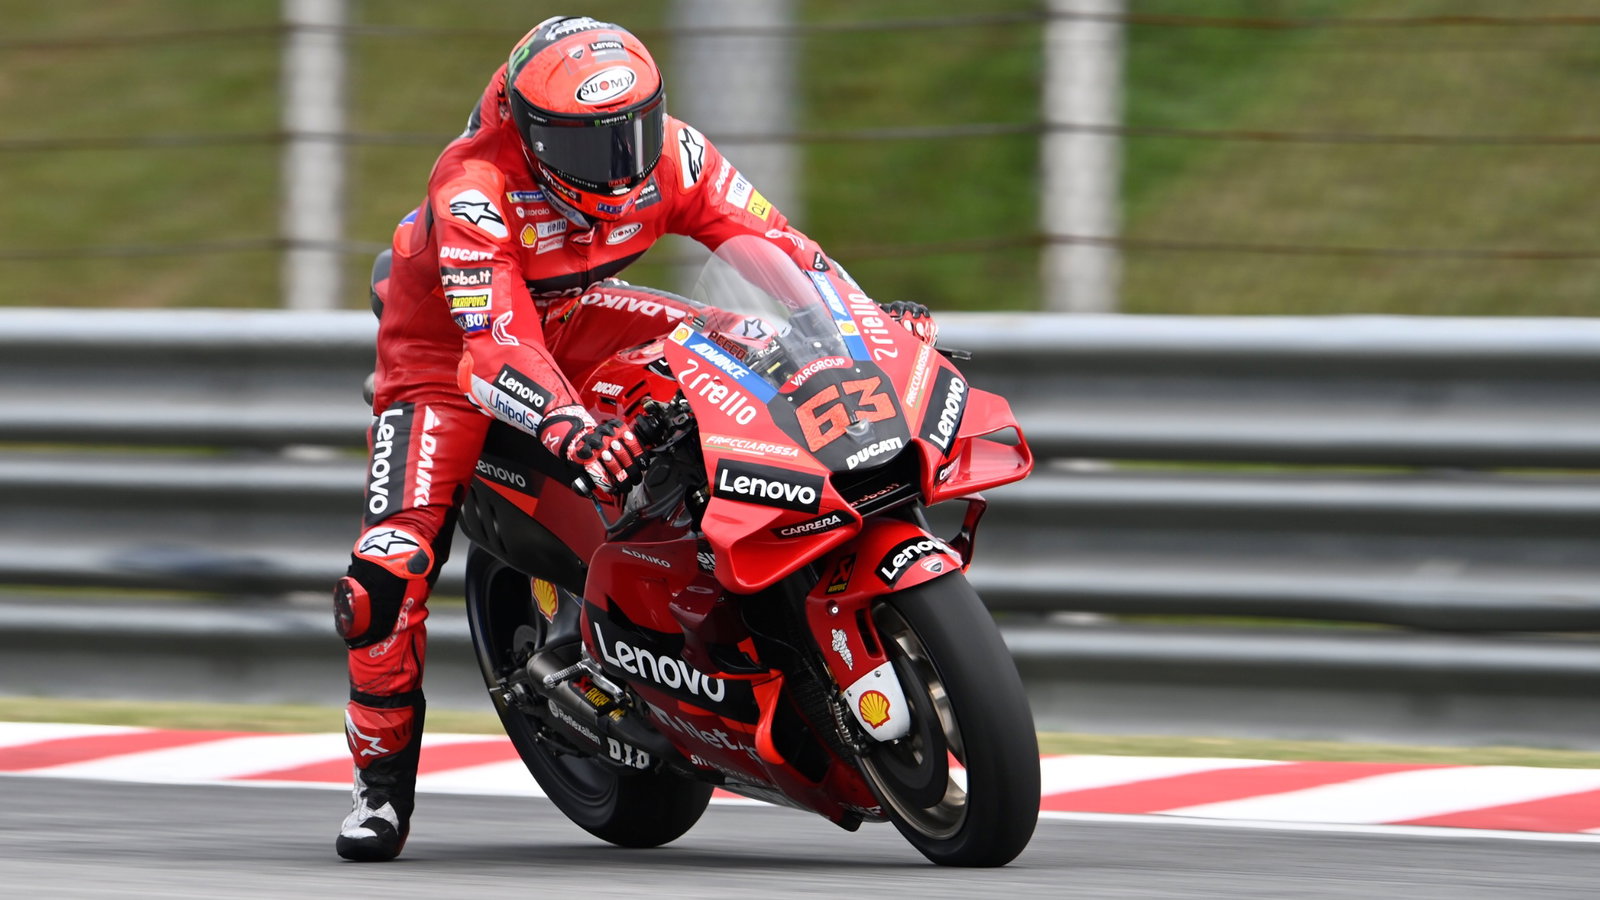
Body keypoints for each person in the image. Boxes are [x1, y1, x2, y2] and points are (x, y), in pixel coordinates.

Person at [330, 15, 938, 862]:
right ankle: (379, 789)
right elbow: (497, 343)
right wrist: (567, 423)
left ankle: (722, 585)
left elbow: (776, 246)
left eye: (635, 129)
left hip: (578, 318)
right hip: (446, 365)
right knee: (384, 575)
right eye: (590, 146)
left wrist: (863, 325)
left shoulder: (675, 154)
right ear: (530, 134)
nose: (621, 160)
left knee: (755, 347)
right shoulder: (473, 188)